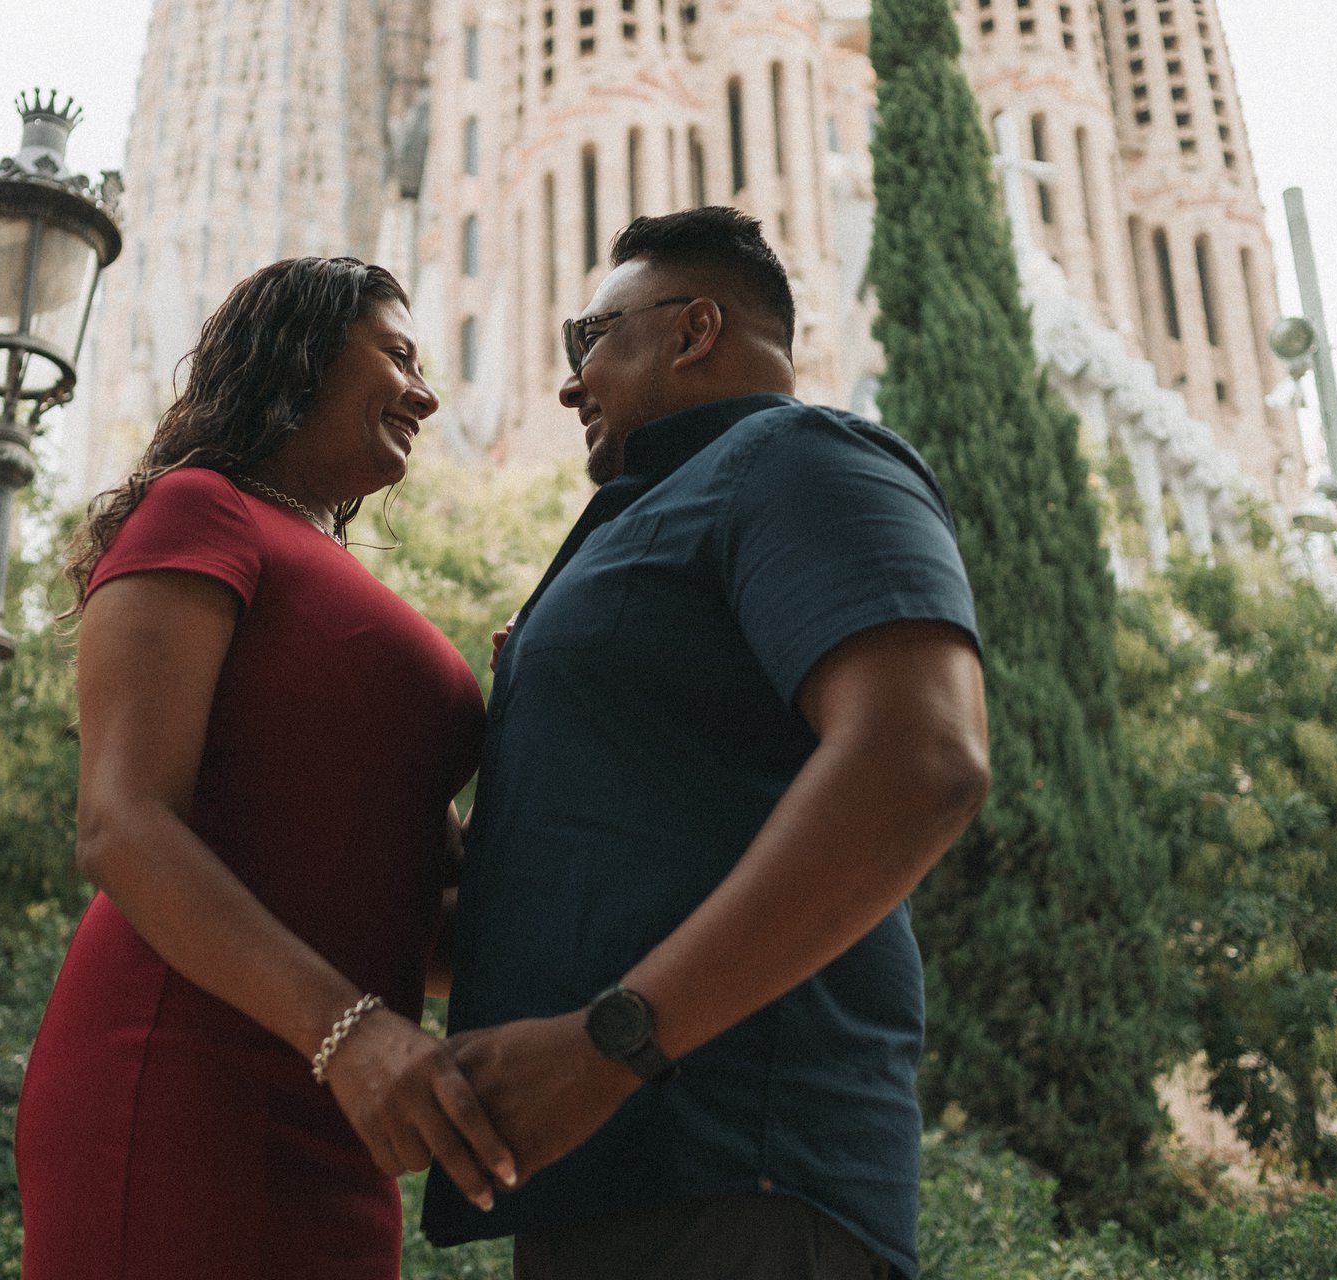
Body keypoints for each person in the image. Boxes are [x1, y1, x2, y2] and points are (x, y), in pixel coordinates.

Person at [419, 208, 991, 1279]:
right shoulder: (647, 525)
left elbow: (922, 760)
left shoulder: (799, 455)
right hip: (593, 1179)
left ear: (693, 331)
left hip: (740, 1174)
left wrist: (613, 1042)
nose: (570, 383)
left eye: (589, 338)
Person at [16, 256, 515, 1280]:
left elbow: (427, 927)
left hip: (341, 1101)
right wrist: (350, 1033)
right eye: (398, 356)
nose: (426, 395)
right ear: (301, 353)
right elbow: (122, 824)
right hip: (182, 1069)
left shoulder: (326, 569)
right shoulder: (200, 510)